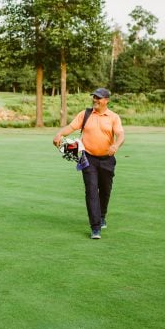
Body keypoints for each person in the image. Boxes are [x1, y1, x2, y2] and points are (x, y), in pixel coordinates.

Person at [53, 88, 125, 240]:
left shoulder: (113, 117)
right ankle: (95, 227)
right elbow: (71, 128)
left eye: (98, 98)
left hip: (107, 160)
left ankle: (102, 215)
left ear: (107, 100)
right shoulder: (85, 114)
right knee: (91, 190)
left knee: (105, 191)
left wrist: (116, 145)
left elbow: (120, 134)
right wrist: (60, 134)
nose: (95, 100)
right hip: (88, 158)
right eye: (94, 97)